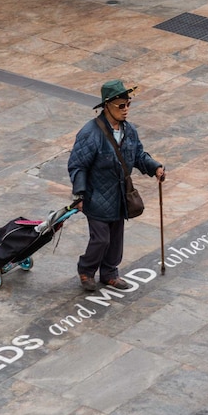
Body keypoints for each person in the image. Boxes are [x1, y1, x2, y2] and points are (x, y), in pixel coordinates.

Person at [68, 80, 165, 291]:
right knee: (101, 239)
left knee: (115, 238)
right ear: (107, 106)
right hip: (96, 196)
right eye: (121, 106)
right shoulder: (90, 133)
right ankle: (86, 270)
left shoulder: (129, 131)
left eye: (128, 104)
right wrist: (80, 195)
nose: (126, 109)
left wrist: (154, 167)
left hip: (120, 195)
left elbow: (138, 154)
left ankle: (110, 273)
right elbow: (78, 166)